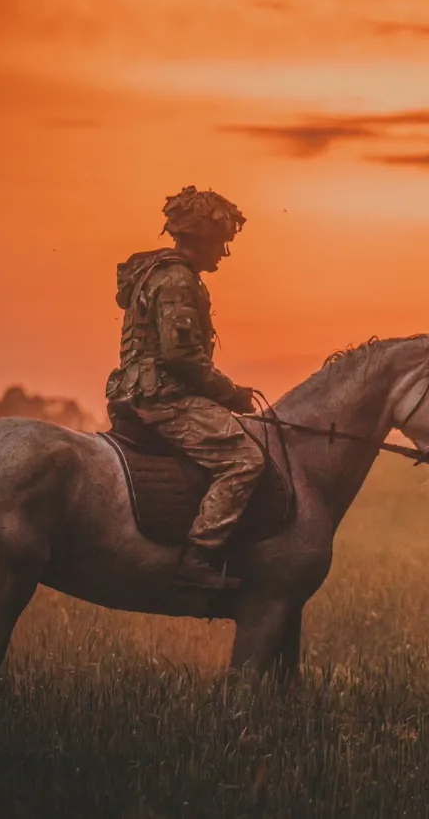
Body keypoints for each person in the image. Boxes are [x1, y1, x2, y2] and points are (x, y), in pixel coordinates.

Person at [106, 186, 264, 590]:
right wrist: (232, 394)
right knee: (245, 458)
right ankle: (198, 556)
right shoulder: (177, 280)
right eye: (221, 243)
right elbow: (182, 358)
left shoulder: (162, 274)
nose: (223, 254)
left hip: (144, 391)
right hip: (165, 399)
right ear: (204, 239)